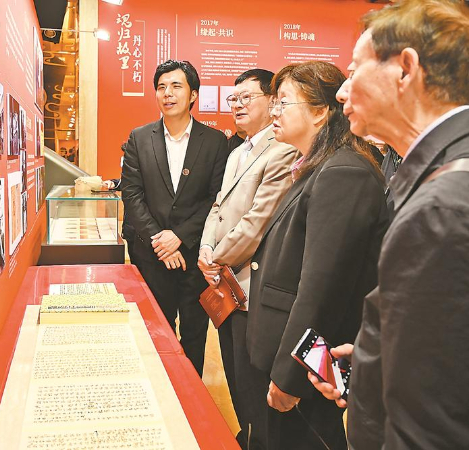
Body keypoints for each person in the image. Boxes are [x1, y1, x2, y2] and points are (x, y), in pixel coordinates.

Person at [306, 1, 469, 448]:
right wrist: (375, 360)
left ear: (405, 69)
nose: (342, 92)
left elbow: (431, 428)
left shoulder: (442, 208)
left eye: (354, 69)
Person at [244, 61, 389, 450]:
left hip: (308, 367)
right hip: (291, 352)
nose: (274, 112)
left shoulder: (344, 173)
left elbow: (322, 288)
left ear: (321, 112)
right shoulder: (317, 167)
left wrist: (289, 375)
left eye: (284, 102)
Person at [197, 68, 298, 449]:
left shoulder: (282, 150)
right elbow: (218, 208)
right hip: (224, 280)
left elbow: (258, 221)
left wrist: (217, 259)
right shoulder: (237, 151)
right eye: (233, 98)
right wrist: (205, 250)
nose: (237, 105)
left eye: (246, 97)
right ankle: (246, 435)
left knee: (253, 379)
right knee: (234, 375)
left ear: (272, 102)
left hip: (251, 286)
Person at [122, 59, 229, 376]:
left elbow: (215, 198)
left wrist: (179, 236)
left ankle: (191, 393)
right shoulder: (140, 138)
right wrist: (160, 241)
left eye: (176, 86)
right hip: (152, 255)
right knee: (157, 331)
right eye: (161, 87)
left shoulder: (214, 141)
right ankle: (161, 389)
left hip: (194, 255)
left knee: (195, 334)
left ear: (193, 94)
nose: (167, 93)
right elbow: (132, 194)